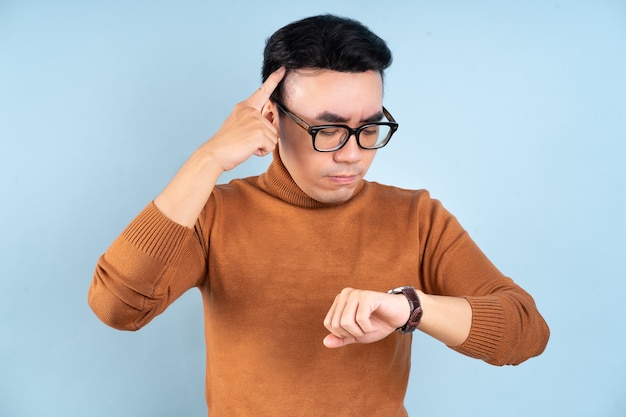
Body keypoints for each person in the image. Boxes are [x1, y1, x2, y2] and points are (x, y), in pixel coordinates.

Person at [89, 14, 550, 416]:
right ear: (271, 118)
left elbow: (524, 329)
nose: (353, 154)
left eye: (369, 127)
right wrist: (207, 159)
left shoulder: (416, 216)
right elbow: (118, 308)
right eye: (329, 129)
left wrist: (412, 307)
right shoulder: (213, 214)